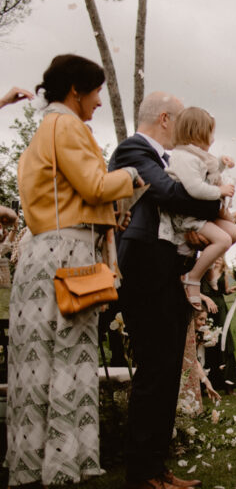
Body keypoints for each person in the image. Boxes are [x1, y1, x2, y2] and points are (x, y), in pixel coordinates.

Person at [7, 54, 140, 487]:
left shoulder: (42, 130)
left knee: (40, 361)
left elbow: (68, 195)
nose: (99, 101)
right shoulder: (67, 126)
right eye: (96, 91)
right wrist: (132, 175)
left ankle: (36, 461)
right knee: (66, 355)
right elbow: (94, 185)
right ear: (76, 91)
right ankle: (64, 462)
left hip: (42, 252)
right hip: (67, 256)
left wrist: (109, 216)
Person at [109, 91, 220, 489]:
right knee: (154, 369)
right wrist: (215, 207)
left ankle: (158, 466)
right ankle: (142, 472)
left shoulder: (171, 159)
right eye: (182, 119)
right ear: (166, 119)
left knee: (170, 369)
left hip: (169, 270)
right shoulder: (134, 150)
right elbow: (170, 194)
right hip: (145, 271)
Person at [159, 106, 236, 310]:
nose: (213, 138)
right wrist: (220, 191)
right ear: (198, 133)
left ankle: (206, 265)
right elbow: (195, 187)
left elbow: (206, 175)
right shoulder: (183, 157)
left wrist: (221, 164)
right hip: (187, 217)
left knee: (233, 232)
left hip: (199, 214)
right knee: (223, 239)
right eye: (210, 133)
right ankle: (193, 277)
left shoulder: (196, 156)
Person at [201, 257, 236, 392]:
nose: (218, 260)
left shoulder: (227, 273)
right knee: (206, 339)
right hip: (205, 308)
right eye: (216, 257)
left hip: (219, 308)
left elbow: (227, 290)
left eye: (221, 257)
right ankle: (208, 382)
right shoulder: (204, 270)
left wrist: (235, 289)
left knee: (223, 340)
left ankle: (229, 383)